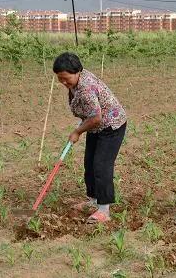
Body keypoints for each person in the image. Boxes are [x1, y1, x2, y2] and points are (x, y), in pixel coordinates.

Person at [53, 52, 127, 224]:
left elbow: (96, 117)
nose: (64, 82)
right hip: (96, 126)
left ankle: (104, 210)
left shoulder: (86, 88)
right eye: (60, 79)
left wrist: (78, 131)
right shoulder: (75, 82)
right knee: (90, 163)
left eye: (66, 78)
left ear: (77, 71)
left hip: (111, 126)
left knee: (101, 165)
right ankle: (92, 200)